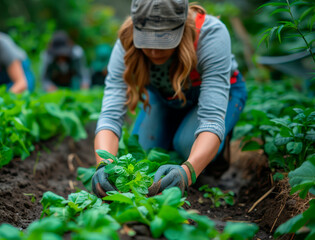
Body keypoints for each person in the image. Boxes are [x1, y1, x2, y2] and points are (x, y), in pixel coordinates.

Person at [92, 0, 247, 198]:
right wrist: (104, 165)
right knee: (144, 154)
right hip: (166, 98)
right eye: (147, 42)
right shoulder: (127, 42)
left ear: (182, 29)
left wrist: (187, 172)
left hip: (221, 96)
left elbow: (211, 118)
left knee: (186, 145)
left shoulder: (211, 35)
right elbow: (110, 115)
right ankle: (178, 139)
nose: (155, 52)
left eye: (164, 40)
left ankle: (213, 162)